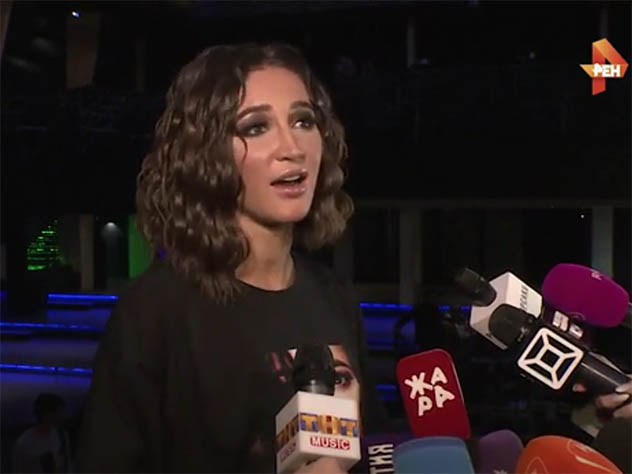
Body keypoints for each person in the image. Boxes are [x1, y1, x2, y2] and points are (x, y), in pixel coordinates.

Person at [75, 43, 384, 473]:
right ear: (207, 153)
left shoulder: (334, 297)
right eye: (256, 127)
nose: (292, 147)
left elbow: (373, 450)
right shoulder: (155, 312)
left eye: (303, 121)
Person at [12, 393, 72, 473]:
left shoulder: (62, 436)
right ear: (46, 413)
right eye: (59, 412)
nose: (62, 416)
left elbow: (67, 465)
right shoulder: (23, 444)